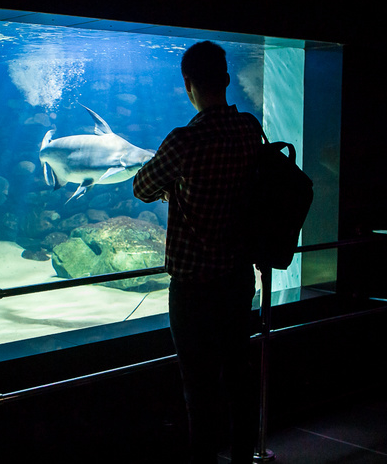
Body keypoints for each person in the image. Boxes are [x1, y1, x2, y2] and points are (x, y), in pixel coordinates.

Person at [133, 41, 262, 464]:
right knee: (239, 373)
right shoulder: (248, 128)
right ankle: (244, 454)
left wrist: (175, 186)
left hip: (193, 288)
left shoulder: (183, 141)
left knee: (198, 384)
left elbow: (142, 188)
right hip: (238, 276)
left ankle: (203, 458)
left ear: (188, 85)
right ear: (225, 79)